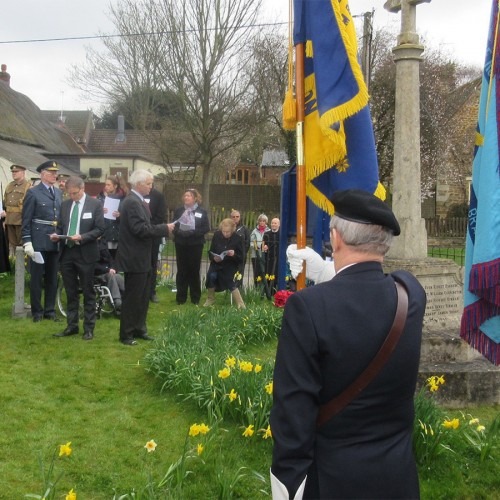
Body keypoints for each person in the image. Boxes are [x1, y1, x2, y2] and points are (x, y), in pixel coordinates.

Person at [270, 189, 427, 500]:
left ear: (335, 238)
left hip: (332, 480)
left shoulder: (308, 307)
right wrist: (329, 273)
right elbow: (373, 289)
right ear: (385, 243)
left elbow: (293, 414)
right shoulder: (410, 295)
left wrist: (287, 486)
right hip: (397, 478)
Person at [116, 170, 174, 346]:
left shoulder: (138, 201)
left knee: (143, 296)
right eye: (149, 183)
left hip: (143, 256)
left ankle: (139, 328)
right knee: (133, 297)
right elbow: (140, 229)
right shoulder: (132, 202)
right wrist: (165, 228)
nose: (151, 186)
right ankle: (126, 334)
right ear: (138, 184)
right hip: (134, 257)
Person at [50, 176, 104, 340]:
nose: (72, 196)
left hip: (86, 253)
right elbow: (61, 225)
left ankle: (88, 328)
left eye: (74, 193)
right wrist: (57, 235)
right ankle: (71, 325)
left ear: (82, 189)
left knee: (88, 291)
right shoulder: (66, 205)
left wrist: (83, 236)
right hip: (67, 252)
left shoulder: (95, 204)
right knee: (71, 291)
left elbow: (100, 229)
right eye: (69, 193)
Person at [21, 160, 63, 322]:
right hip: (38, 240)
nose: (55, 175)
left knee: (53, 278)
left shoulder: (58, 193)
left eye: (55, 172)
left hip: (54, 240)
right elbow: (26, 219)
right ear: (42, 174)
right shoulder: (33, 193)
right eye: (51, 172)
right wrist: (27, 241)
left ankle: (50, 311)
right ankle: (37, 312)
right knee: (37, 279)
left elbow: (59, 217)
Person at [172, 188, 210, 305]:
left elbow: (206, 228)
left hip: (195, 244)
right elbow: (174, 225)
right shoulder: (179, 210)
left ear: (195, 198)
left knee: (194, 270)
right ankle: (181, 298)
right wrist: (179, 232)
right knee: (182, 270)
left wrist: (193, 232)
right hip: (181, 243)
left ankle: (195, 298)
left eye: (189, 196)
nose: (186, 198)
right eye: (185, 196)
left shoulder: (201, 211)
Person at [203, 218, 245, 309]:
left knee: (228, 279)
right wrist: (213, 257)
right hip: (216, 263)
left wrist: (234, 254)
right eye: (223, 231)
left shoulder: (238, 239)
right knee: (211, 275)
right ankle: (210, 299)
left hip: (230, 265)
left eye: (228, 232)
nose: (225, 233)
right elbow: (211, 251)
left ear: (232, 230)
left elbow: (241, 258)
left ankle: (240, 304)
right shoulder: (217, 235)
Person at [97, 175, 128, 259]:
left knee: (116, 260)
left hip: (118, 235)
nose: (106, 187)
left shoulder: (124, 199)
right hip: (104, 235)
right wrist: (100, 212)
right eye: (105, 184)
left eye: (108, 185)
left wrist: (120, 215)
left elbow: (129, 217)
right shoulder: (100, 198)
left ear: (115, 186)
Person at [3, 164, 31, 257]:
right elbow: (5, 202)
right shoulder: (9, 185)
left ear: (23, 173)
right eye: (13, 172)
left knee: (22, 244)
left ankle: (22, 267)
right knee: (12, 244)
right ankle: (14, 265)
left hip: (21, 219)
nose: (14, 174)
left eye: (16, 172)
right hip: (10, 219)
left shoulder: (28, 186)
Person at [145, 186, 167, 303]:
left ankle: (151, 292)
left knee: (152, 265)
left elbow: (161, 216)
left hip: (153, 236)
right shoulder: (137, 196)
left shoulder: (158, 196)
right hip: (140, 237)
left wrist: (148, 225)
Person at [94, 237, 124, 313]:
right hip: (96, 274)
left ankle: (129, 298)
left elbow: (110, 258)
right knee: (111, 276)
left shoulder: (103, 242)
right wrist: (107, 270)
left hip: (107, 271)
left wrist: (112, 268)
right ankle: (117, 302)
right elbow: (93, 265)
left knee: (118, 277)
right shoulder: (90, 245)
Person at [250, 213, 270, 289]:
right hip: (255, 255)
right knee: (256, 272)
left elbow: (269, 242)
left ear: (266, 222)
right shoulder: (254, 231)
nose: (262, 222)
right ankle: (256, 288)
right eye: (260, 221)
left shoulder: (269, 231)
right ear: (258, 222)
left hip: (265, 255)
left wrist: (265, 247)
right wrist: (257, 247)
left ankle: (264, 289)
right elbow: (251, 243)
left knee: (264, 272)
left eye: (264, 221)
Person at [230, 209, 250, 284]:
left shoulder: (244, 229)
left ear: (240, 217)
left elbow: (247, 242)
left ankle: (239, 290)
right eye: (233, 217)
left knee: (239, 275)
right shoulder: (228, 228)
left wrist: (243, 252)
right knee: (230, 274)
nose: (235, 218)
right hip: (230, 256)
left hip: (241, 256)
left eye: (237, 216)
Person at [263, 217, 280, 295]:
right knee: (268, 275)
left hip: (278, 258)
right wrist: (264, 247)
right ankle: (268, 293)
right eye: (272, 223)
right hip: (269, 259)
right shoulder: (266, 234)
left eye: (275, 223)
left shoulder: (281, 234)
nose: (273, 224)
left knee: (277, 275)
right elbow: (263, 245)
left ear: (279, 225)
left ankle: (277, 292)